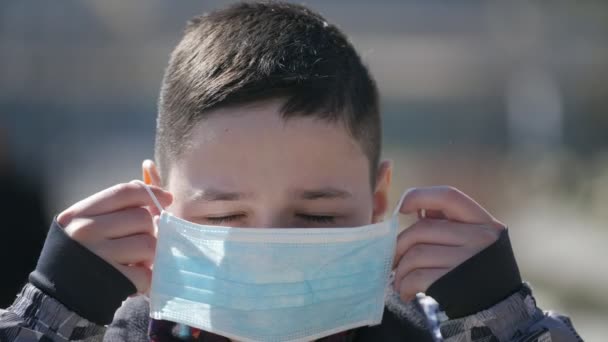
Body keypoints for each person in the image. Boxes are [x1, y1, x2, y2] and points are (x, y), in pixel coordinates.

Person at [0, 2, 581, 341]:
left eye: (317, 215)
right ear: (156, 203)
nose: (269, 248)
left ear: (378, 203)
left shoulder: (434, 332)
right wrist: (47, 315)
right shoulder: (105, 335)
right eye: (225, 215)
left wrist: (508, 321)